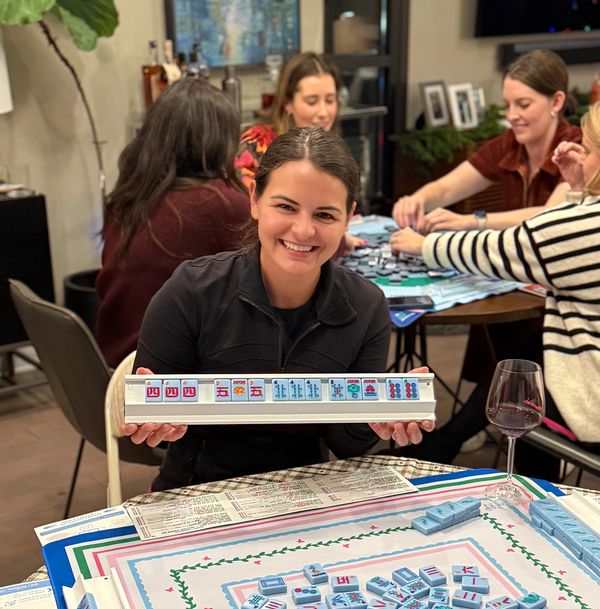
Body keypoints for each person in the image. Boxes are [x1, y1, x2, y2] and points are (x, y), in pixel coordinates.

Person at [124, 128, 434, 490]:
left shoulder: (366, 306)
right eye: (286, 207)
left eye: (325, 215)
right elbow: (152, 421)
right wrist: (152, 422)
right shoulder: (191, 291)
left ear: (349, 217)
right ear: (255, 199)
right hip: (197, 486)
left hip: (308, 488)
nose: (303, 231)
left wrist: (379, 418)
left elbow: (348, 444)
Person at [390, 103, 600, 479]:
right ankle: (449, 442)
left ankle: (535, 493)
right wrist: (578, 189)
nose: (582, 157)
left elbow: (503, 249)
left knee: (520, 390)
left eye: (588, 149)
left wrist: (423, 246)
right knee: (523, 358)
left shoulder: (587, 225)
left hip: (592, 394)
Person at [96, 78, 249, 368]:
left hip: (117, 366)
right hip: (165, 376)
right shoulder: (220, 203)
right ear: (219, 142)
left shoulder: (127, 198)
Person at [392, 49, 581, 234]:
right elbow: (446, 188)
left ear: (556, 102)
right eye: (507, 105)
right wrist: (417, 200)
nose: (511, 115)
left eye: (523, 105)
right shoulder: (510, 143)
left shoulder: (578, 147)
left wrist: (472, 221)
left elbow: (550, 217)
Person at [235, 52, 340, 189]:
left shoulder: (335, 153)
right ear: (288, 103)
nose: (323, 113)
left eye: (330, 100)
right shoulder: (256, 145)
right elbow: (242, 197)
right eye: (312, 102)